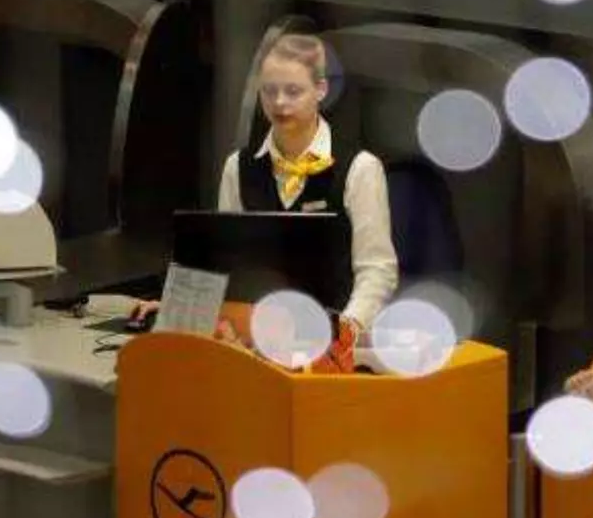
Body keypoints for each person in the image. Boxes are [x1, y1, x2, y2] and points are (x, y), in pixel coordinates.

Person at [134, 33, 399, 348]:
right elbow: (224, 266)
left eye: (293, 91)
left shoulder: (360, 168)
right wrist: (179, 309)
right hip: (255, 342)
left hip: (333, 346)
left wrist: (345, 331)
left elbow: (377, 271)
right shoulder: (238, 166)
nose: (279, 103)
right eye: (269, 91)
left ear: (321, 90)